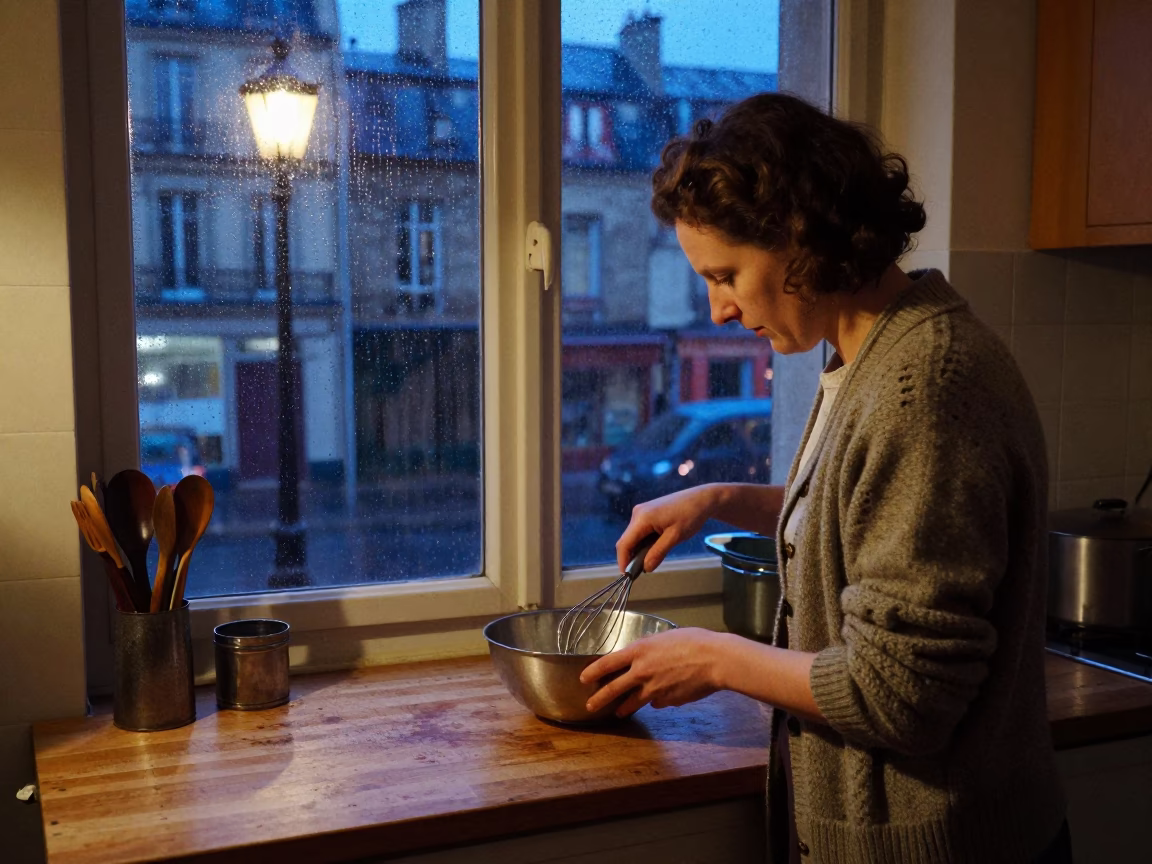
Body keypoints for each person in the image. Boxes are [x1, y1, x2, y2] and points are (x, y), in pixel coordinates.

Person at [580, 93, 1072, 864]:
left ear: (799, 234)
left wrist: (712, 658)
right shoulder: (867, 358)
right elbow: (878, 520)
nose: (717, 308)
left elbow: (901, 696)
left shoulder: (927, 384)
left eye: (728, 273)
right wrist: (719, 501)